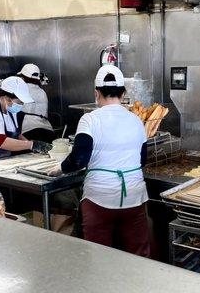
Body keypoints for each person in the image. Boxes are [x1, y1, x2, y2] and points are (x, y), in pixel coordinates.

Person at [50, 65, 150, 257]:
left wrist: (60, 168)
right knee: (138, 257)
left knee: (98, 257)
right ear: (123, 93)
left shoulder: (89, 120)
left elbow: (79, 159)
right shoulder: (137, 121)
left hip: (99, 199)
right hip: (134, 197)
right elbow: (142, 160)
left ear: (96, 93)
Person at [17, 64, 55, 143]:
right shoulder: (42, 92)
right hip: (48, 132)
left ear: (23, 77)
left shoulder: (20, 90)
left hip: (28, 132)